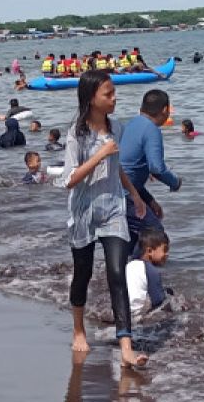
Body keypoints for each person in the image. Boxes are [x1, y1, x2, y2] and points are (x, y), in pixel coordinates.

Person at [64, 70, 149, 368]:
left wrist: (135, 195)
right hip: (84, 213)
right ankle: (78, 330)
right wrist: (100, 154)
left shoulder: (116, 129)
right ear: (91, 98)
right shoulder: (76, 135)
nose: (114, 98)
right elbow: (70, 179)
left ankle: (126, 346)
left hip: (113, 209)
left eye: (114, 93)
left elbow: (116, 168)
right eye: (108, 94)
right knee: (83, 275)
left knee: (117, 273)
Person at [118, 89, 182, 252]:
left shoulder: (131, 124)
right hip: (126, 195)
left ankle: (126, 269)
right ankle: (143, 273)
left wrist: (150, 200)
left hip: (120, 191)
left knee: (134, 235)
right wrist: (174, 182)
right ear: (165, 110)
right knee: (156, 237)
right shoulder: (152, 129)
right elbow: (156, 168)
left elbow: (132, 171)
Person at [125, 227, 177, 321]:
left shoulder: (129, 265)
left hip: (123, 312)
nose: (167, 254)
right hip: (137, 316)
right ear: (149, 251)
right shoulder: (151, 271)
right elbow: (158, 300)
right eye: (165, 250)